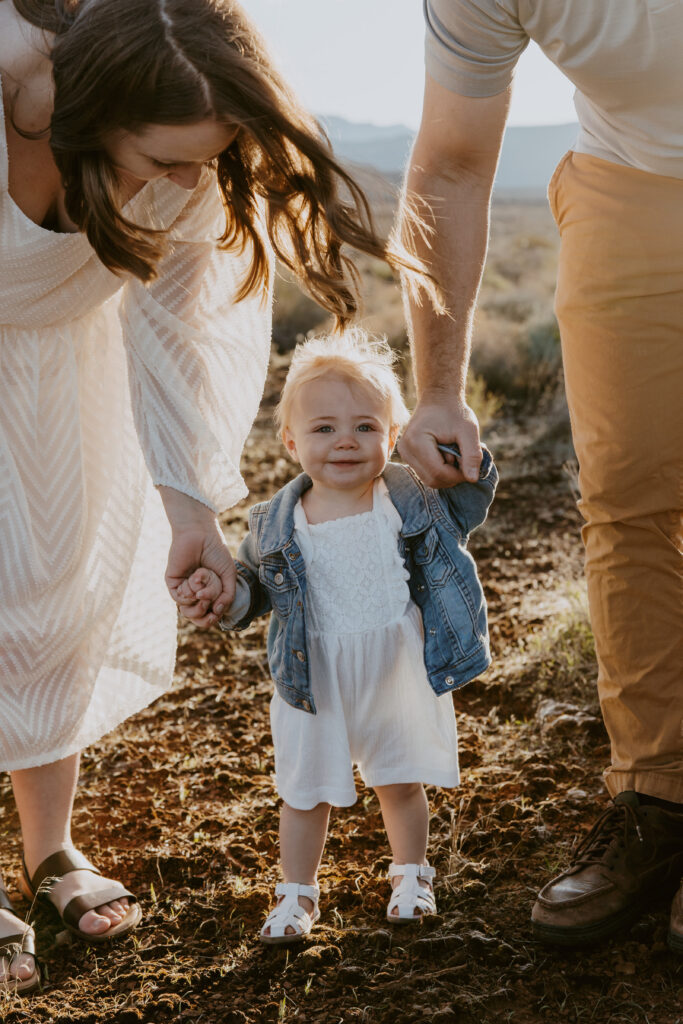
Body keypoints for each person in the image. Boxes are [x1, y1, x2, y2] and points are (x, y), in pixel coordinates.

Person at [0, 0, 430, 992]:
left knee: (61, 596)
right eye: (168, 157)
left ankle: (50, 845)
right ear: (89, 107)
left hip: (70, 380)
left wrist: (192, 510)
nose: (196, 181)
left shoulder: (190, 174)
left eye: (213, 155)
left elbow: (182, 331)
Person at [397, 0, 683, 949]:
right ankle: (658, 798)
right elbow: (449, 164)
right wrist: (437, 390)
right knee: (627, 503)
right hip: (628, 186)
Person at [178, 330, 497, 944]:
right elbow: (251, 590)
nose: (345, 441)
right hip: (313, 675)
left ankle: (411, 875)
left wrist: (456, 454)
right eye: (323, 429)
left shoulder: (410, 498)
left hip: (394, 665)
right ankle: (297, 892)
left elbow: (471, 497)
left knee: (399, 779)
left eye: (365, 427)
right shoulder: (275, 522)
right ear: (292, 440)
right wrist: (223, 596)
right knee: (305, 790)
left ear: (395, 436)